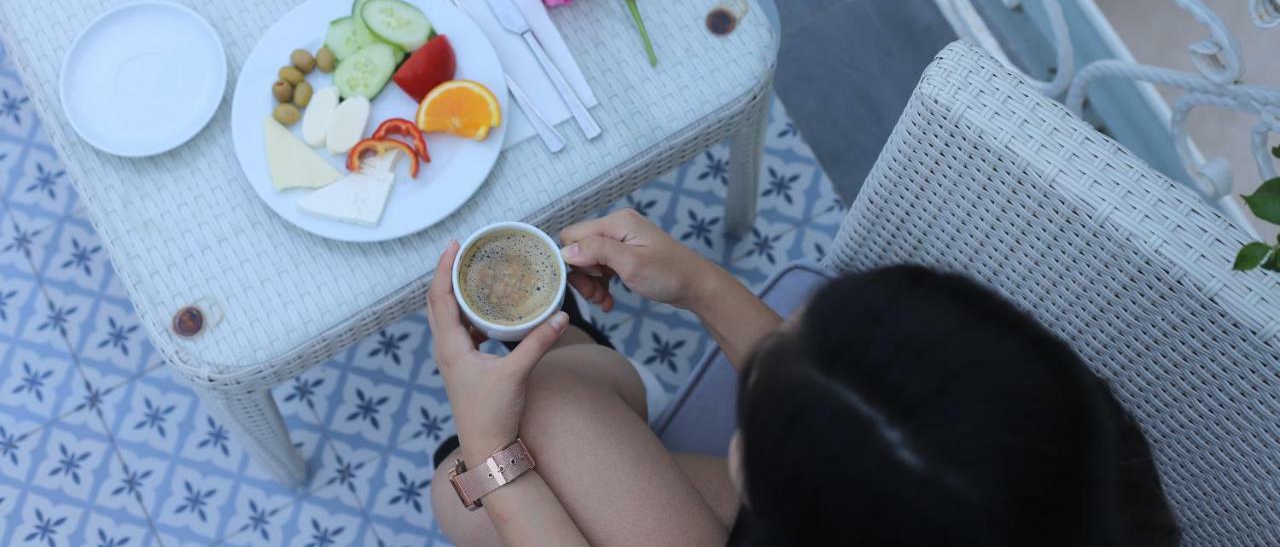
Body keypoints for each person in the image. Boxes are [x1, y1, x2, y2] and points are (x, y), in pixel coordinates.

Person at [426, 209, 1179, 546]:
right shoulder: (1094, 471)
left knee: (467, 487)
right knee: (513, 441)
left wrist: (497, 460)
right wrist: (697, 283)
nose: (758, 364)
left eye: (756, 421)